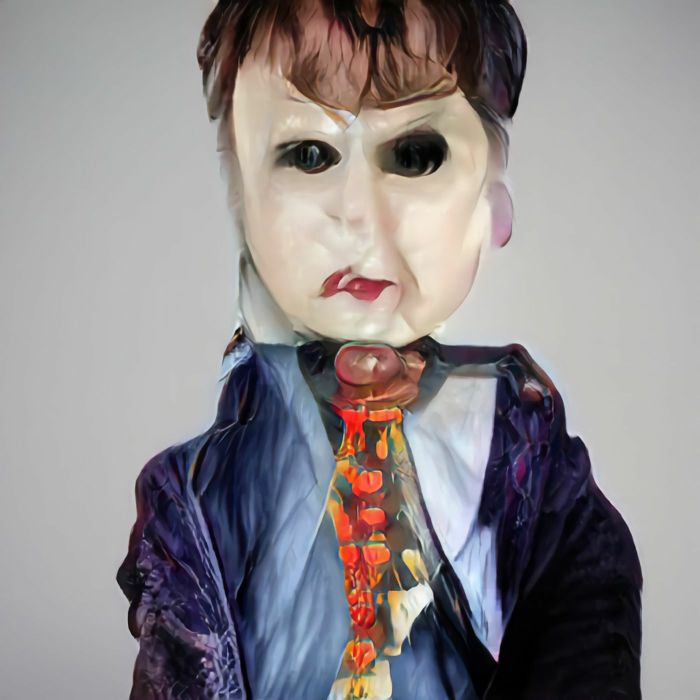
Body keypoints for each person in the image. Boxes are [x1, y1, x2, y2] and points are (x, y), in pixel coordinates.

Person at [117, 2, 642, 698]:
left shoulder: (529, 460)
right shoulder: (192, 499)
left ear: (494, 195)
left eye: (415, 154)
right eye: (308, 155)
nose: (358, 213)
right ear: (241, 190)